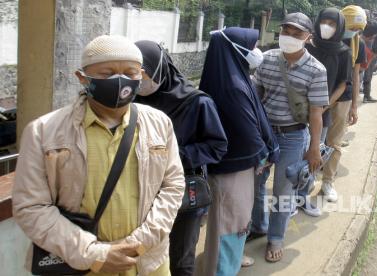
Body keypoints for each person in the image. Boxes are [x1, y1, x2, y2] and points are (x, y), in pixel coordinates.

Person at [12, 35, 185, 275]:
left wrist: (140, 243)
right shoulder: (43, 132)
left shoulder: (159, 124)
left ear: (142, 76)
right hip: (79, 266)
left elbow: (172, 185)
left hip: (148, 263)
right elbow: (31, 207)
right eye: (107, 73)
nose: (121, 80)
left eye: (130, 72)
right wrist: (94, 254)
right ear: (82, 78)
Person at [133, 40, 228, 276]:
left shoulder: (197, 102)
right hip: (141, 190)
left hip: (183, 192)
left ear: (159, 69)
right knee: (145, 253)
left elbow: (217, 146)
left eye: (144, 73)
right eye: (134, 73)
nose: (139, 80)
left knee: (181, 258)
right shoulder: (131, 100)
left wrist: (171, 156)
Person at [199, 27, 279, 276]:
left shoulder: (231, 75)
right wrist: (263, 155)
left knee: (231, 221)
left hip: (232, 166)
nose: (256, 51)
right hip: (233, 168)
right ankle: (222, 270)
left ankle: (227, 263)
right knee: (230, 223)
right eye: (251, 45)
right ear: (235, 49)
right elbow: (247, 133)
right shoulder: (233, 86)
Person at [252, 12, 329, 263]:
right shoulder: (266, 59)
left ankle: (275, 237)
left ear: (308, 38)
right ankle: (259, 225)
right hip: (264, 134)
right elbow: (255, 95)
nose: (290, 37)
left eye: (297, 34)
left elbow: (317, 114)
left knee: (284, 191)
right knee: (256, 182)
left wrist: (314, 148)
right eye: (286, 31)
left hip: (293, 136)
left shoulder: (317, 70)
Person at [296, 7, 351, 215]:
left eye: (333, 23)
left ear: (340, 27)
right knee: (294, 154)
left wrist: (324, 104)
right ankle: (291, 197)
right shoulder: (307, 45)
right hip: (297, 109)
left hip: (322, 112)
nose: (327, 26)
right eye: (324, 21)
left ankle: (303, 195)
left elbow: (342, 84)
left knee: (314, 154)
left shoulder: (344, 52)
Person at [321, 5, 367, 202]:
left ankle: (328, 181)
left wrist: (354, 106)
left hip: (343, 98)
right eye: (352, 26)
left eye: (358, 29)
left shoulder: (359, 44)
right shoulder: (323, 39)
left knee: (335, 142)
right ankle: (302, 180)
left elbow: (355, 76)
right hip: (317, 95)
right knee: (310, 139)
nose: (354, 32)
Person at [361, 19, 377, 103]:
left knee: (367, 75)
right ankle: (365, 95)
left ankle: (366, 95)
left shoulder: (376, 32)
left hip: (371, 55)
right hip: (366, 55)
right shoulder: (364, 29)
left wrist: (375, 55)